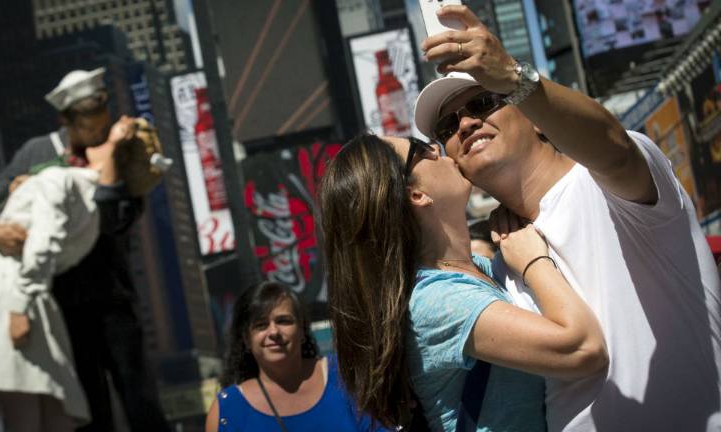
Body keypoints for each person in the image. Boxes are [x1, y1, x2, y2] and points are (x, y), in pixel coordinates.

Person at [413, 5, 721, 431]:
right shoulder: (502, 261)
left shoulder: (607, 183)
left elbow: (613, 144)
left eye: (484, 101)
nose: (465, 123)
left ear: (536, 120)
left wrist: (518, 79)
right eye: (446, 127)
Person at [318, 133, 607, 431]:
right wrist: (534, 262)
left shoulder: (476, 269)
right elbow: (584, 349)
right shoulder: (439, 301)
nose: (436, 147)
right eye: (420, 149)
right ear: (414, 194)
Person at [0, 68, 171, 431]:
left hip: (111, 297)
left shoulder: (121, 150)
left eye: (101, 118)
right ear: (66, 119)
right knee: (89, 408)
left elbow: (115, 219)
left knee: (139, 398)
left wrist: (109, 155)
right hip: (60, 305)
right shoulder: (38, 151)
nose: (96, 129)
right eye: (85, 122)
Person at [205, 281, 392, 432]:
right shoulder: (226, 411)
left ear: (302, 329)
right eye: (261, 325)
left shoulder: (345, 376)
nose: (274, 332)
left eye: (283, 321)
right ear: (246, 339)